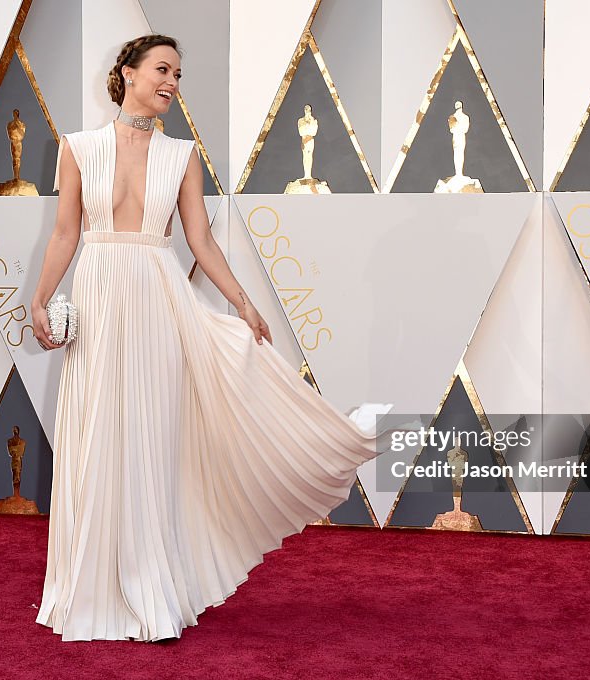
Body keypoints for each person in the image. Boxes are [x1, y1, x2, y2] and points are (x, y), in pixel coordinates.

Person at [30, 33, 391, 642]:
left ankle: (152, 594)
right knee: (97, 436)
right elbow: (66, 234)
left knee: (151, 438)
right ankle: (88, 591)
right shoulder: (78, 148)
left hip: (157, 299)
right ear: (128, 73)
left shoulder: (182, 156)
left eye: (178, 73)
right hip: (97, 298)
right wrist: (40, 297)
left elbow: (200, 241)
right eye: (163, 69)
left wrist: (245, 304)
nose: (172, 82)